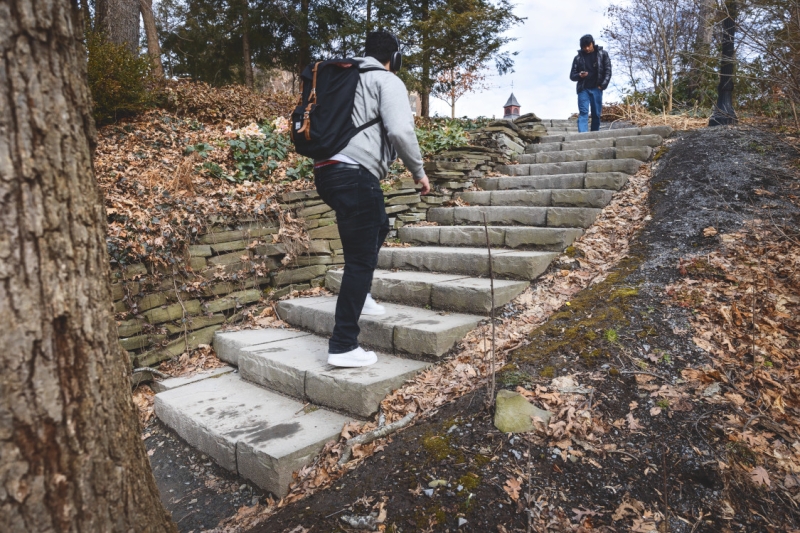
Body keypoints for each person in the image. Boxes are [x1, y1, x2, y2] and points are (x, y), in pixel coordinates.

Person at [313, 31, 431, 368]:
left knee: (379, 224)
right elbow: (400, 131)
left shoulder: (347, 78)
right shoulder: (386, 80)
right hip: (355, 174)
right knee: (360, 261)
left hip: (328, 172)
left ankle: (361, 294)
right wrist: (419, 172)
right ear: (394, 58)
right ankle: (343, 345)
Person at [569, 34, 612, 132]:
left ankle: (594, 135)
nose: (587, 48)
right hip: (583, 89)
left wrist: (603, 85)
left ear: (593, 43)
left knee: (596, 114)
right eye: (584, 47)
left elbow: (608, 71)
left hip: (597, 88)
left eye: (589, 45)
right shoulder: (578, 58)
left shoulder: (603, 54)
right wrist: (580, 75)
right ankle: (583, 136)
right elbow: (572, 75)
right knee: (583, 112)